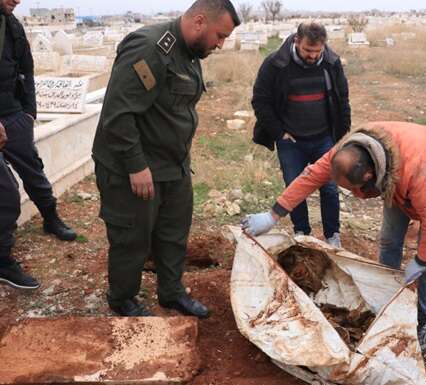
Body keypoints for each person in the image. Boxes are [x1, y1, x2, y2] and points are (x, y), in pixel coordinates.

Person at [242, 122, 426, 350]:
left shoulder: (413, 169)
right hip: (401, 181)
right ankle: (386, 296)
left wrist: (421, 261)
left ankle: (425, 320)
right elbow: (311, 177)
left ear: (370, 175)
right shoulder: (346, 152)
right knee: (390, 240)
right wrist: (273, 215)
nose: (356, 195)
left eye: (357, 189)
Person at [92, 0, 240, 317]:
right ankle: (123, 299)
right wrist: (136, 166)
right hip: (133, 167)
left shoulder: (188, 53)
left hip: (172, 165)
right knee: (132, 236)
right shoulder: (148, 48)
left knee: (173, 233)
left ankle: (171, 293)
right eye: (219, 35)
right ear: (199, 21)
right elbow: (118, 116)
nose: (220, 44)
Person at [251, 22, 351, 248]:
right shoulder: (275, 64)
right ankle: (302, 234)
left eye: (318, 51)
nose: (313, 56)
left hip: (324, 138)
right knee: (295, 188)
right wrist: (279, 133)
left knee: (329, 188)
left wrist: (340, 135)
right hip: (291, 142)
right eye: (308, 50)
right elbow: (261, 101)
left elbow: (342, 99)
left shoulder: (331, 63)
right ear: (297, 41)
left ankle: (332, 236)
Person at [0, 0, 77, 290]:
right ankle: (3, 259)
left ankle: (51, 218)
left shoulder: (12, 24)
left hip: (13, 115)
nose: (19, 0)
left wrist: (29, 112)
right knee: (6, 192)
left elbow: (26, 70)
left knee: (33, 170)